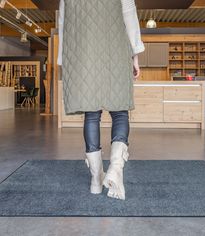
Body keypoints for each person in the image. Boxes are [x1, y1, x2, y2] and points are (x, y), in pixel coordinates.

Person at [57, 0, 145, 200]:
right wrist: (135, 56)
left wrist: (65, 61)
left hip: (84, 57)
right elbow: (129, 16)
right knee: (120, 111)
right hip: (116, 52)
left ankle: (96, 179)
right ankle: (115, 168)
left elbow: (64, 24)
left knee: (91, 114)